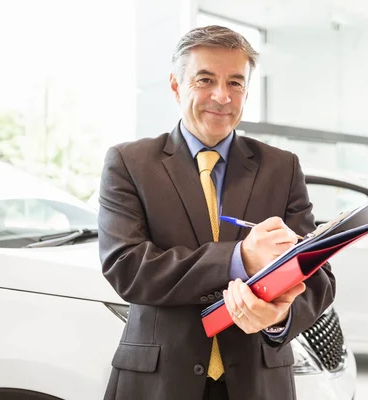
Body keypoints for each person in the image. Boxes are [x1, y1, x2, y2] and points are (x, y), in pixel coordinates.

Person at [98, 25, 335, 400]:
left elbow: (317, 276)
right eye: (205, 79)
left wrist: (279, 317)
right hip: (158, 381)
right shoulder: (129, 163)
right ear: (176, 86)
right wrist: (238, 259)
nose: (222, 96)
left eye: (236, 83)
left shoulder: (282, 167)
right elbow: (128, 268)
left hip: (257, 381)